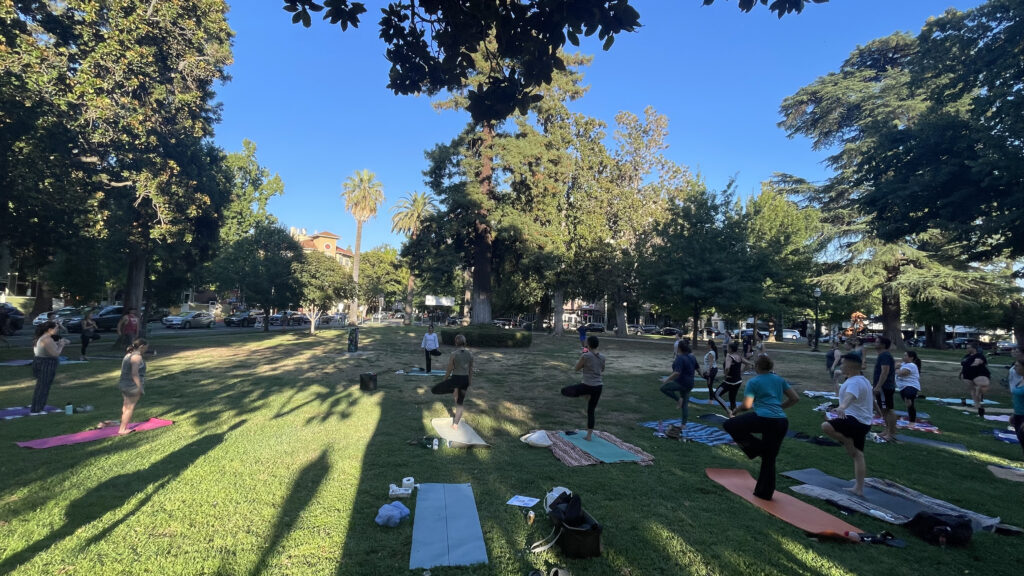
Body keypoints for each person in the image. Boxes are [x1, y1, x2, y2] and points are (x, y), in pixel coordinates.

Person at [723, 355, 800, 500]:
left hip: (764, 419)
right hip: (781, 422)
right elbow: (795, 398)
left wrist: (735, 411)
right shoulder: (779, 380)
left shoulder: (754, 381)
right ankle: (764, 493)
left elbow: (746, 405)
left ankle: (757, 449)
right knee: (769, 459)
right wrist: (780, 407)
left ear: (757, 367)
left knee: (730, 424)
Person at [820, 352, 874, 496]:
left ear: (849, 366)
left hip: (855, 421)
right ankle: (859, 488)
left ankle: (846, 440)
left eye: (842, 363)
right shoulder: (862, 380)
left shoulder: (854, 383)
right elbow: (843, 395)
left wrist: (842, 407)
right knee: (858, 455)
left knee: (826, 426)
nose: (840, 365)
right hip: (864, 423)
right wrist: (836, 381)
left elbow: (848, 398)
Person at [560, 335, 606, 441]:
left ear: (588, 345)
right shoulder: (602, 357)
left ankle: (584, 394)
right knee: (591, 411)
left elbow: (576, 368)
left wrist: (583, 357)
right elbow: (602, 369)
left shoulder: (586, 356)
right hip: (598, 387)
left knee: (564, 391)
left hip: (587, 386)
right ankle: (589, 436)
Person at [431, 334, 474, 429]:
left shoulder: (454, 354)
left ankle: (453, 390)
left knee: (435, 389)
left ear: (456, 342)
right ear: (464, 342)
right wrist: (469, 381)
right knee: (459, 402)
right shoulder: (470, 354)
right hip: (465, 379)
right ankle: (455, 424)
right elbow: (471, 369)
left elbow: (449, 368)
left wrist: (445, 379)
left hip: (456, 379)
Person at [30, 321, 69, 415]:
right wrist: (61, 345)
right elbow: (55, 354)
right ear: (49, 329)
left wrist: (59, 343)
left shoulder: (44, 338)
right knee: (43, 387)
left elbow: (52, 348)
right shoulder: (46, 339)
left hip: (41, 362)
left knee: (42, 386)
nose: (57, 330)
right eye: (56, 328)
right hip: (46, 364)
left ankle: (37, 408)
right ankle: (37, 409)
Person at [661, 341, 699, 429]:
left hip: (682, 383)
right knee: (685, 404)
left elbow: (677, 373)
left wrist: (666, 380)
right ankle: (683, 425)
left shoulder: (680, 358)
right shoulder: (692, 357)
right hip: (690, 383)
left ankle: (678, 400)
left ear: (679, 348)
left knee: (663, 388)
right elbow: (698, 368)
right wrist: (703, 375)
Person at [117, 338, 149, 435]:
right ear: (142, 347)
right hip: (132, 386)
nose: (147, 349)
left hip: (123, 384)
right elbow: (135, 374)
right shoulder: (137, 357)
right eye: (146, 347)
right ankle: (122, 429)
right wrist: (140, 387)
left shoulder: (128, 355)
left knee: (126, 406)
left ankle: (123, 424)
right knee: (130, 408)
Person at [872, 336, 897, 441]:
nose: (875, 343)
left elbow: (885, 372)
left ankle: (891, 432)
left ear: (883, 344)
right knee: (884, 410)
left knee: (888, 410)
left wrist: (878, 386)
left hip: (885, 387)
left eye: (877, 342)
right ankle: (887, 430)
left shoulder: (885, 355)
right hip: (883, 387)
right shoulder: (882, 355)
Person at [716, 341, 751, 411]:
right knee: (732, 400)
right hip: (738, 381)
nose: (727, 348)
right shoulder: (739, 356)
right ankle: (733, 415)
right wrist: (740, 371)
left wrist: (725, 375)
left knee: (716, 395)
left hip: (730, 381)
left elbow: (727, 368)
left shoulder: (729, 357)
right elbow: (749, 364)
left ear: (731, 349)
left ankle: (728, 411)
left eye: (728, 347)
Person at [960, 342, 991, 418]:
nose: (967, 349)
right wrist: (961, 373)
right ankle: (978, 405)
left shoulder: (979, 355)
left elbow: (977, 362)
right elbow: (963, 365)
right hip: (967, 375)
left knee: (980, 387)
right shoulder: (966, 356)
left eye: (968, 347)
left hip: (978, 374)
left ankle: (979, 400)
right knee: (972, 390)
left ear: (973, 348)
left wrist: (972, 366)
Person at [895, 350, 922, 423]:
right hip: (902, 387)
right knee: (910, 405)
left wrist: (896, 368)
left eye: (905, 355)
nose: (903, 357)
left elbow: (902, 373)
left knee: (908, 399)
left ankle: (909, 398)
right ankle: (912, 421)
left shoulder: (911, 365)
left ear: (911, 358)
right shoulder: (904, 364)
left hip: (911, 386)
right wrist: (896, 365)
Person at [1008, 345, 1024, 457]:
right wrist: (1014, 414)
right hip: (1018, 415)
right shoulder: (1021, 379)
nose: (1015, 368)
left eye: (1017, 366)